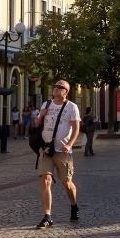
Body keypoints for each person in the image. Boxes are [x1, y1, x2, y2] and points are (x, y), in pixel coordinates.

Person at [33, 79, 82, 229]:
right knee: (45, 180)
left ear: (65, 92)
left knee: (66, 183)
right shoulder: (46, 104)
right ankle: (47, 216)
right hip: (46, 150)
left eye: (60, 87)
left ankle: (74, 205)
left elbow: (76, 128)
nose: (56, 88)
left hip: (62, 151)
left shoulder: (72, 107)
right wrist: (40, 116)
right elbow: (36, 124)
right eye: (55, 86)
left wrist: (69, 144)